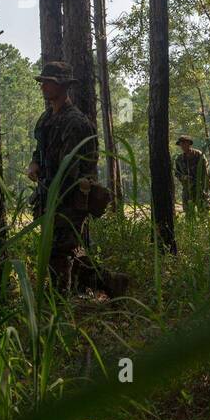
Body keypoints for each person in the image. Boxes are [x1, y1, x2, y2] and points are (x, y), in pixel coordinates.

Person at [28, 61, 129, 297]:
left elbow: (76, 168)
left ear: (62, 86)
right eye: (42, 83)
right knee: (66, 251)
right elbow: (39, 151)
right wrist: (34, 164)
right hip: (48, 196)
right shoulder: (45, 119)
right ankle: (112, 283)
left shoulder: (77, 122)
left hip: (69, 199)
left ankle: (59, 301)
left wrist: (58, 196)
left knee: (59, 251)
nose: (43, 87)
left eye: (48, 83)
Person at [173, 134, 210, 217]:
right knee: (189, 214)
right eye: (181, 144)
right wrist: (183, 177)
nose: (182, 146)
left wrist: (205, 186)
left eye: (184, 143)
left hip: (200, 188)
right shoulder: (179, 159)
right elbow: (177, 173)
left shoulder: (198, 155)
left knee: (203, 212)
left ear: (189, 144)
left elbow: (206, 171)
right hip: (187, 189)